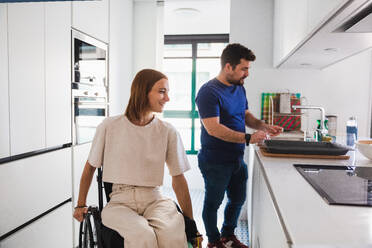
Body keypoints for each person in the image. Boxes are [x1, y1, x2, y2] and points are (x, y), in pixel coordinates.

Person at [73, 69, 202, 248]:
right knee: (143, 236)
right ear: (143, 92)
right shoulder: (109, 127)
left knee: (171, 236)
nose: (167, 98)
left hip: (154, 198)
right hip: (119, 201)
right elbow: (89, 168)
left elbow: (178, 179)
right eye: (162, 91)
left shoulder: (167, 131)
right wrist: (80, 205)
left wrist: (191, 225)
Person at [195, 43, 283, 248]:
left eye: (248, 69)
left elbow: (244, 115)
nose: (247, 74)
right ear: (228, 67)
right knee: (213, 203)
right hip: (215, 161)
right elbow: (213, 129)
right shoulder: (208, 92)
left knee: (237, 200)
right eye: (244, 69)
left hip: (236, 158)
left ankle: (228, 236)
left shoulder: (238, 87)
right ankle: (214, 241)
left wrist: (263, 126)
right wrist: (248, 138)